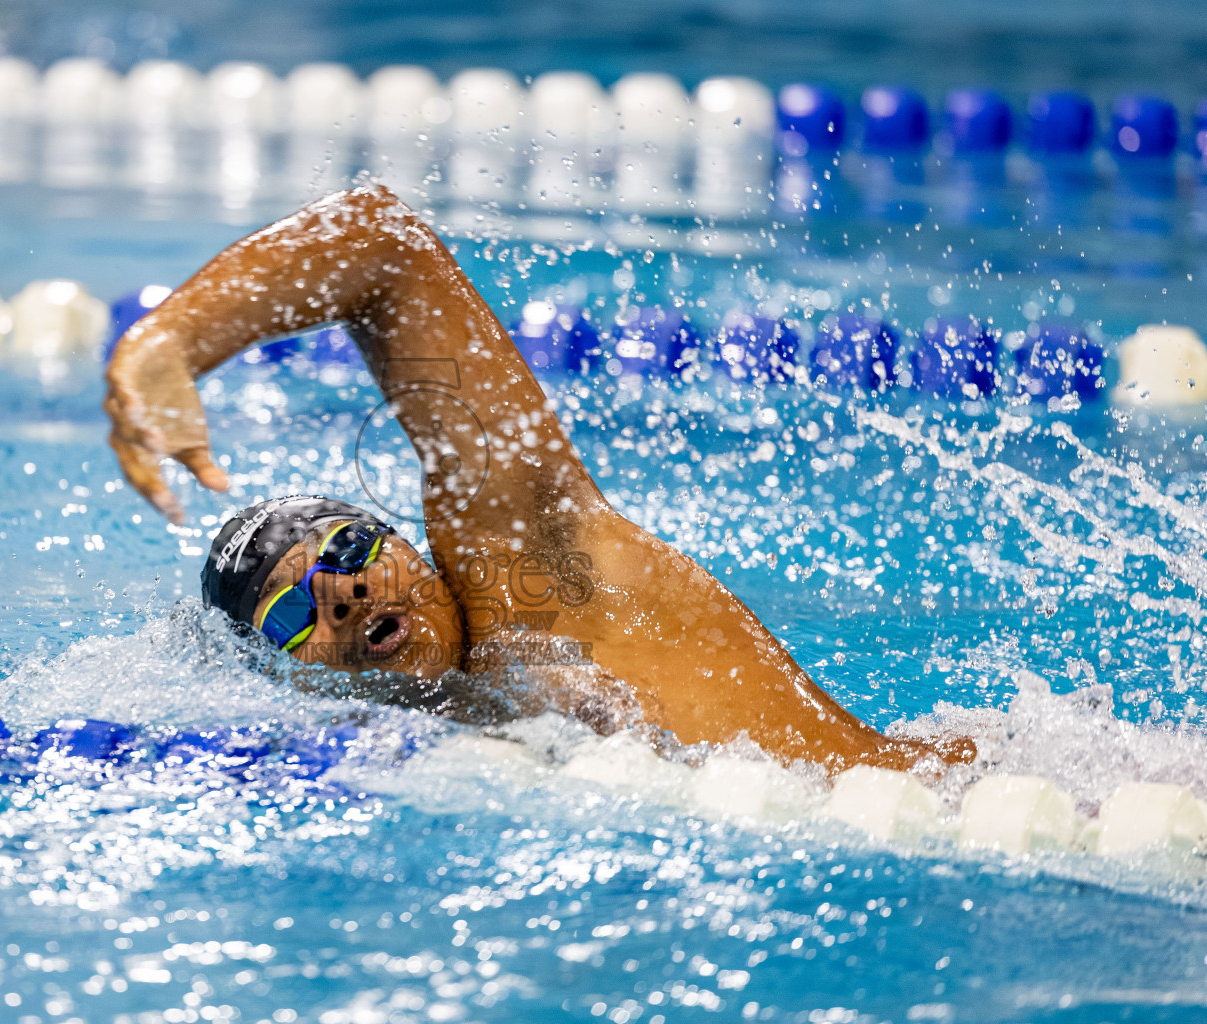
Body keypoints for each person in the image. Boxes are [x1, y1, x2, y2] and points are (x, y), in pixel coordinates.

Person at [105, 184, 974, 774]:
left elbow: (378, 239)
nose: (340, 595)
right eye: (294, 615)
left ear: (407, 543)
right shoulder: (434, 731)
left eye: (350, 547)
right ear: (284, 676)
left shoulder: (539, 578)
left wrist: (167, 342)